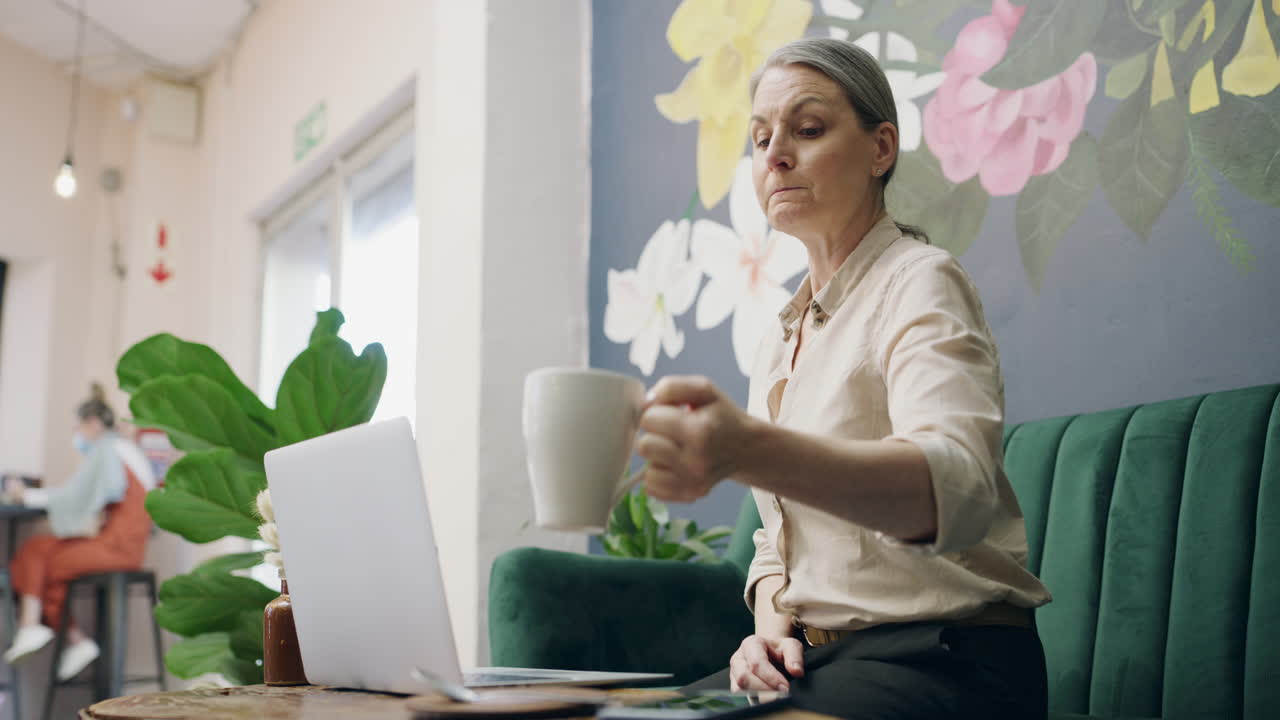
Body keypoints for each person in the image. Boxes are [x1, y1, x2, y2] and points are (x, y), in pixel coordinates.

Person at [636, 38, 1053, 720]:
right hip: (825, 661)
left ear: (880, 149)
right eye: (760, 138)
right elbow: (776, 543)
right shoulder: (779, 339)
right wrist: (768, 637)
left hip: (949, 658)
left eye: (807, 129)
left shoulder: (920, 281)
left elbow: (954, 487)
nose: (775, 155)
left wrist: (745, 449)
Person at [3, 384, 155, 681]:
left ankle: (60, 634)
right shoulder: (122, 449)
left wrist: (28, 495)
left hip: (119, 547)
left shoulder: (109, 449)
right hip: (115, 541)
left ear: (93, 424)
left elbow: (79, 495)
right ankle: (38, 628)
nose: (76, 434)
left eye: (78, 427)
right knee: (38, 548)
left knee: (46, 560)